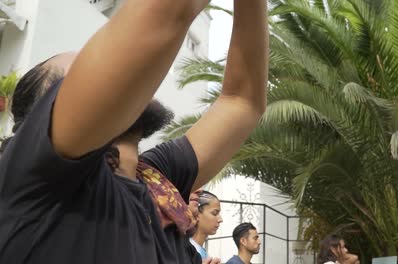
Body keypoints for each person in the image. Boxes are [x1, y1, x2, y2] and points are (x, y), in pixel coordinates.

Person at [0, 0, 269, 263]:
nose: (119, 66)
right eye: (82, 70)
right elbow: (167, 12)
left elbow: (242, 102)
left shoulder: (156, 179)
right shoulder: (39, 177)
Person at [189, 190, 223, 260]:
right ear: (197, 214)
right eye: (214, 213)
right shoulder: (187, 252)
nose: (220, 220)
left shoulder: (201, 251)